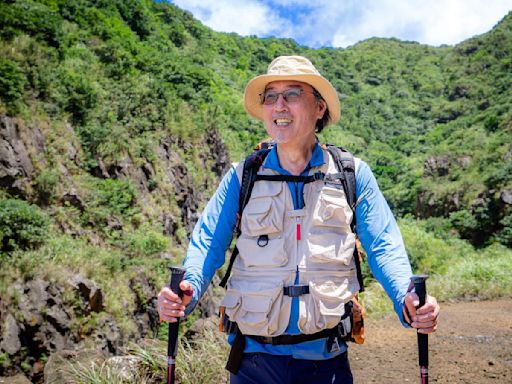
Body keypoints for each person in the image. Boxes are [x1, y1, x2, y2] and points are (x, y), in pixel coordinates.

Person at [157, 55, 440, 383]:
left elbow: (384, 246)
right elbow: (208, 242)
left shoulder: (352, 174)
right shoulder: (242, 176)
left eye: (292, 94)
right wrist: (188, 286)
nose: (279, 106)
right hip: (253, 365)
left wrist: (407, 298)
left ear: (319, 108)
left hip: (326, 363)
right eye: (270, 96)